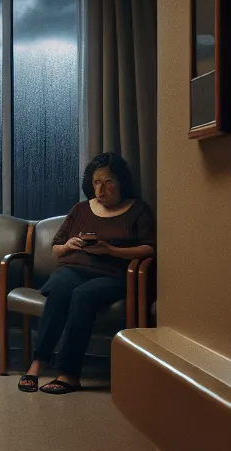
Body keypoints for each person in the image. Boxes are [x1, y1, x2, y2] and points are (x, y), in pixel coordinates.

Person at [20, 152, 155, 395]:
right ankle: (37, 364)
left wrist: (111, 250)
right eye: (96, 183)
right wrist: (69, 245)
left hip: (113, 276)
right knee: (61, 287)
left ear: (121, 181)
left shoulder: (138, 210)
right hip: (73, 268)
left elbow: (150, 248)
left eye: (108, 181)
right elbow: (57, 248)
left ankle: (69, 374)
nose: (101, 190)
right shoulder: (81, 209)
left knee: (82, 295)